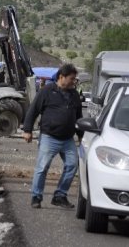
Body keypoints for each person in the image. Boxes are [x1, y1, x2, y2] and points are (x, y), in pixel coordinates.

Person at [22, 63, 83, 209]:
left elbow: (79, 117)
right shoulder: (47, 91)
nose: (74, 82)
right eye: (72, 79)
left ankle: (60, 196)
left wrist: (81, 136)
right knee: (42, 167)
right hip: (49, 137)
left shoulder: (74, 95)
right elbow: (33, 110)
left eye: (75, 79)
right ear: (62, 77)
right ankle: (36, 197)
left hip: (68, 139)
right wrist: (27, 130)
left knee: (72, 165)